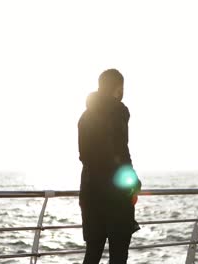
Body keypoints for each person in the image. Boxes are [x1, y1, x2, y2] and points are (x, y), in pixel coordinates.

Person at [78, 69, 142, 264]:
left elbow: (84, 156)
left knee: (93, 252)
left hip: (90, 191)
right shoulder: (118, 110)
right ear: (118, 88)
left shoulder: (85, 116)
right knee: (118, 253)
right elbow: (120, 151)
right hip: (115, 194)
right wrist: (133, 182)